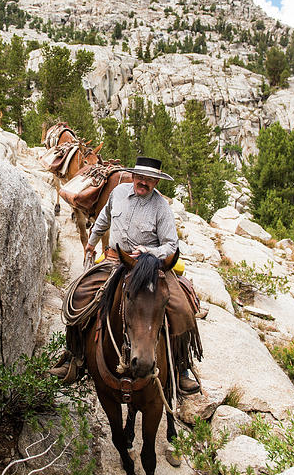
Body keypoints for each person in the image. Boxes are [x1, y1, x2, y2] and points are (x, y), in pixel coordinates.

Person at [51, 156, 202, 393]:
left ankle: (181, 368)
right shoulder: (119, 192)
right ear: (134, 176)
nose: (143, 182)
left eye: (150, 179)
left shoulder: (161, 206)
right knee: (79, 295)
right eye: (140, 177)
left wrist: (149, 251)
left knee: (182, 308)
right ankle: (74, 357)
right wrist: (91, 242)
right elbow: (104, 217)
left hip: (149, 266)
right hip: (114, 259)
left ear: (156, 182)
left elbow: (171, 245)